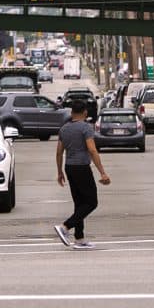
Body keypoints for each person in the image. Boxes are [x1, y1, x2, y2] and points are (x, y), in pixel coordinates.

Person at [54, 100, 110, 250]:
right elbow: (92, 150)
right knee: (92, 202)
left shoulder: (64, 129)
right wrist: (102, 172)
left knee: (79, 204)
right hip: (82, 168)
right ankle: (65, 227)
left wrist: (59, 172)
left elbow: (59, 152)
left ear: (72, 113)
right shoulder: (86, 128)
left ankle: (79, 239)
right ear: (85, 112)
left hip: (69, 168)